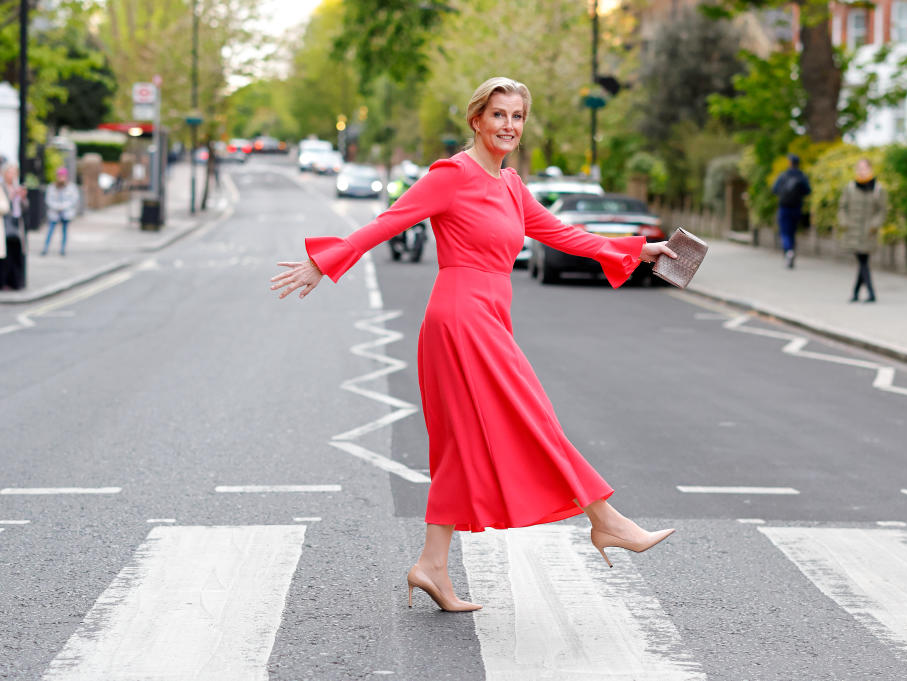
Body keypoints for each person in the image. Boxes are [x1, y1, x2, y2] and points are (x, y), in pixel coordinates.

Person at [270, 77, 678, 612]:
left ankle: (431, 566)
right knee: (534, 416)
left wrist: (640, 249)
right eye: (498, 115)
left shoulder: (510, 186)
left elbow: (563, 235)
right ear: (476, 120)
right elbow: (388, 222)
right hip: (460, 318)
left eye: (517, 117)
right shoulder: (451, 176)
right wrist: (323, 262)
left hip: (490, 315)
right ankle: (606, 520)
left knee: (462, 446)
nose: (508, 125)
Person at [838, 159, 887, 303]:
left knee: (863, 261)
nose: (861, 171)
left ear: (871, 169)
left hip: (868, 232)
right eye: (859, 168)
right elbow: (842, 207)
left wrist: (874, 225)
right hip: (853, 231)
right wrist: (844, 222)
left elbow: (882, 211)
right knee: (862, 261)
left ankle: (860, 293)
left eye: (864, 168)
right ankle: (865, 293)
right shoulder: (850, 188)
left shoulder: (878, 189)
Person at [772, 153, 811, 269]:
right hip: (796, 207)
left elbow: (774, 189)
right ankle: (791, 251)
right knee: (792, 232)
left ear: (790, 163)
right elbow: (808, 191)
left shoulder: (783, 175)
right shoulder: (801, 176)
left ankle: (788, 251)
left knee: (784, 232)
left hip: (784, 207)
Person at [1, 163, 27, 290]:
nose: (12, 175)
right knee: (6, 254)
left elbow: (25, 207)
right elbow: (4, 206)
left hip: (17, 224)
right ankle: (4, 282)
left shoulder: (17, 187)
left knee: (17, 253)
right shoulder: (2, 187)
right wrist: (11, 197)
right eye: (9, 172)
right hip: (5, 224)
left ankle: (16, 282)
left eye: (14, 173)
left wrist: (22, 198)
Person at [43, 167, 80, 256]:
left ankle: (62, 249)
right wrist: (57, 207)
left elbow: (74, 199)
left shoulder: (71, 187)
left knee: (64, 232)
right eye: (60, 176)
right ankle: (45, 248)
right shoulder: (52, 187)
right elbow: (48, 200)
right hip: (54, 212)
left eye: (63, 176)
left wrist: (63, 206)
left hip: (65, 212)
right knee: (50, 231)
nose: (61, 178)